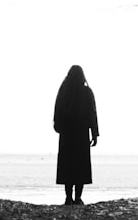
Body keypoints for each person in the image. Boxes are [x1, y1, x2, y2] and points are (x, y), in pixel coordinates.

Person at [53, 65, 99, 205]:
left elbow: (57, 111)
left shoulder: (64, 92)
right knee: (80, 166)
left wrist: (58, 127)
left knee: (68, 166)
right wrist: (94, 133)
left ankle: (68, 197)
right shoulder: (86, 92)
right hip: (81, 134)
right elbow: (92, 113)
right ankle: (78, 197)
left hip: (67, 135)